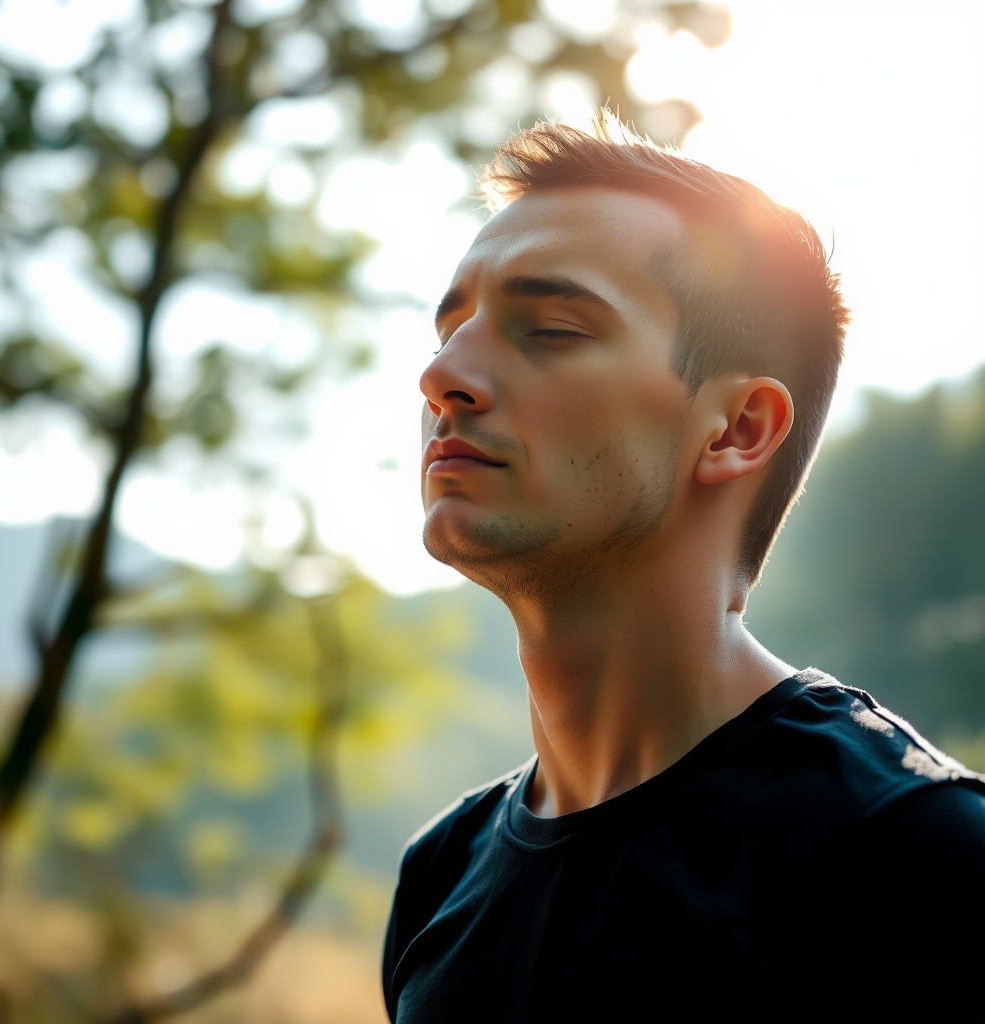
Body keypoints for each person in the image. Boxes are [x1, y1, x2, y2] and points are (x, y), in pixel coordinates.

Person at [382, 115, 985, 1022]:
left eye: (548, 328)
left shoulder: (909, 854)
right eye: (450, 330)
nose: (445, 376)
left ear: (738, 429)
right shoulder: (439, 871)